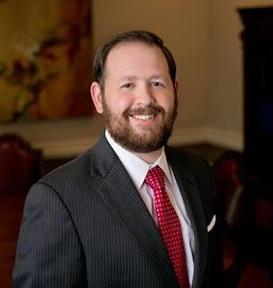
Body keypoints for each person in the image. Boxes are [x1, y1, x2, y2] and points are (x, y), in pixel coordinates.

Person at [13, 30, 220, 288]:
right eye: (127, 85)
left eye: (157, 83)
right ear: (99, 98)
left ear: (175, 91)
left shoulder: (198, 171)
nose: (145, 99)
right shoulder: (57, 199)